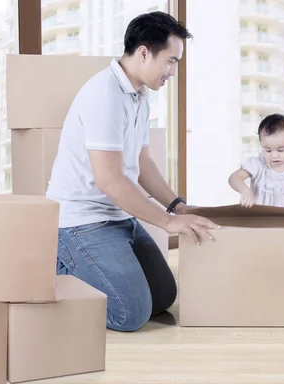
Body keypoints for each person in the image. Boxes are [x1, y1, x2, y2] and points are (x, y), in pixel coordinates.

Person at [46, 12, 218, 333]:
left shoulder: (138, 96)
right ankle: (59, 268)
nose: (173, 71)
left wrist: (177, 207)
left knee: (162, 297)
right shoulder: (104, 95)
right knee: (130, 313)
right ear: (143, 53)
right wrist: (167, 222)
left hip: (117, 218)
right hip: (81, 223)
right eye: (170, 61)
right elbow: (109, 179)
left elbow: (142, 164)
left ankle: (89, 268)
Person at [228, 113, 284, 209]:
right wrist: (245, 190)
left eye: (280, 150)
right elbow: (234, 178)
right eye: (268, 150)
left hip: (283, 221)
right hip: (258, 220)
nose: (274, 155)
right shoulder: (258, 164)